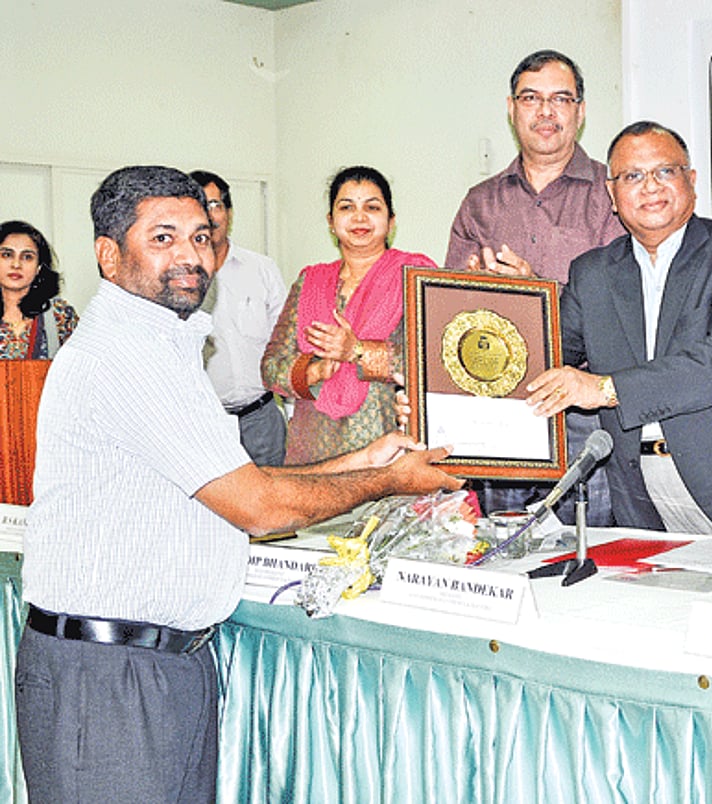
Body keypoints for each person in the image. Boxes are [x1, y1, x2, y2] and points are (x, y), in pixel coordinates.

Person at [15, 165, 462, 803]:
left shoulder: (164, 345)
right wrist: (386, 480)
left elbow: (238, 480)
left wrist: (368, 458)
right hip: (110, 680)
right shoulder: (127, 355)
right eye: (163, 238)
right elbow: (256, 506)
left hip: (159, 668)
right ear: (108, 256)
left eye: (200, 236)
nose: (191, 256)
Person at [526, 122, 712, 538]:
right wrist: (511, 306)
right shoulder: (591, 273)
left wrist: (604, 388)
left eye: (664, 172)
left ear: (691, 182)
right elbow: (540, 359)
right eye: (632, 176)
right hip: (640, 499)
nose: (650, 187)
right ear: (612, 196)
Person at [445, 49, 626, 524]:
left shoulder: (613, 194)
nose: (546, 112)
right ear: (512, 108)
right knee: (506, 561)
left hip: (584, 417)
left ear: (580, 112)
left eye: (560, 99)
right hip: (500, 414)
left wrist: (536, 296)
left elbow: (624, 312)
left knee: (592, 562)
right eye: (531, 98)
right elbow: (448, 313)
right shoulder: (479, 203)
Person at [262, 165, 437, 465]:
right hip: (314, 452)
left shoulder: (415, 277)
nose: (359, 217)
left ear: (391, 221)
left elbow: (433, 362)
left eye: (372, 207)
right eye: (346, 207)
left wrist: (356, 350)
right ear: (331, 222)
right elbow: (271, 367)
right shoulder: (310, 281)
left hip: (390, 448)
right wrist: (312, 372)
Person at [189, 170, 289, 466]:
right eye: (198, 206)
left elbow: (285, 343)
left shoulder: (261, 268)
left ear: (229, 213)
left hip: (262, 420)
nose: (208, 216)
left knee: (274, 507)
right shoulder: (175, 280)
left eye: (215, 205)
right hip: (205, 425)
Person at [0, 220, 77, 359]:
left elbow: (81, 370)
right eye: (7, 255)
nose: (16, 264)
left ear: (39, 268)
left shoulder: (60, 315)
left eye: (27, 257)